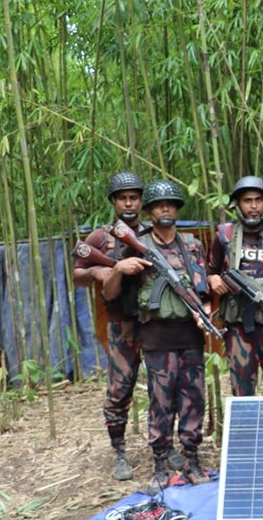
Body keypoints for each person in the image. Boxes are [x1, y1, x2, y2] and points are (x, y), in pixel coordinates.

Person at [101, 180, 211, 493]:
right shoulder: (138, 244)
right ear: (148, 211)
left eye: (170, 204)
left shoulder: (191, 245)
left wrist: (204, 312)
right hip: (156, 337)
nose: (165, 209)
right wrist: (120, 268)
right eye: (158, 205)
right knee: (160, 402)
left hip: (190, 335)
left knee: (193, 400)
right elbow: (111, 295)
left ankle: (191, 458)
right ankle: (160, 462)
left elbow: (201, 290)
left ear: (177, 209)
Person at [72, 171, 147, 480]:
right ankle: (118, 451)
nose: (128, 203)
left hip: (154, 323)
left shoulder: (153, 232)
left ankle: (164, 446)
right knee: (119, 389)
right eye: (122, 198)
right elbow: (78, 271)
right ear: (114, 202)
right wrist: (99, 273)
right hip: (121, 325)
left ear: (142, 200)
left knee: (164, 388)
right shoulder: (101, 238)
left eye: (133, 197)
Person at [207, 176, 263, 396]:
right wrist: (213, 279)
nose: (253, 207)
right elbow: (210, 270)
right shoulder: (225, 235)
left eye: (258, 200)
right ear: (238, 204)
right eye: (247, 201)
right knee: (242, 389)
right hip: (238, 327)